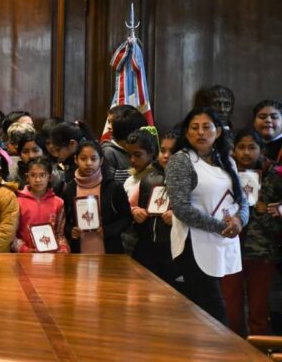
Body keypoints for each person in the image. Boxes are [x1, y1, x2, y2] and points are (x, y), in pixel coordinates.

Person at [166, 107, 249, 325]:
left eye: (207, 127)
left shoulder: (226, 159)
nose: (201, 133)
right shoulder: (181, 161)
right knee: (214, 312)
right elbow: (181, 208)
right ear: (186, 133)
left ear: (218, 132)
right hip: (194, 244)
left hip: (223, 241)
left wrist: (240, 220)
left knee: (211, 310)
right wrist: (220, 226)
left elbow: (241, 199)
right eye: (195, 128)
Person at [220, 129, 282, 335]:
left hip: (262, 249)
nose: (246, 153)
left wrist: (275, 209)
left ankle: (260, 351)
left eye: (252, 147)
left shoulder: (276, 174)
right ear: (233, 150)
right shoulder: (224, 174)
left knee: (258, 309)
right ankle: (233, 349)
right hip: (230, 247)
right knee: (231, 307)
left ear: (261, 150)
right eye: (241, 147)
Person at [63, 140, 132, 254]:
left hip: (110, 251)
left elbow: (126, 217)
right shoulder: (69, 189)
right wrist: (71, 231)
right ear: (76, 160)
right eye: (83, 158)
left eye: (93, 159)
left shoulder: (113, 187)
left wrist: (110, 230)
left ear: (101, 161)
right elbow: (64, 222)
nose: (88, 163)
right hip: (79, 252)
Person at [124, 128, 175, 282]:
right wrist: (134, 211)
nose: (166, 156)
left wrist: (178, 216)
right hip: (146, 245)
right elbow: (128, 206)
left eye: (172, 151)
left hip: (173, 248)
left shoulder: (188, 180)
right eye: (163, 151)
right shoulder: (148, 179)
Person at [12, 157, 69, 253]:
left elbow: (60, 234)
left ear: (49, 177)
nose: (38, 180)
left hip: (51, 255)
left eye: (42, 175)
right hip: (25, 257)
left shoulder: (58, 203)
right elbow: (12, 235)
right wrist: (24, 249)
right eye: (33, 175)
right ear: (27, 177)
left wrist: (63, 248)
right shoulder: (17, 202)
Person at [102, 105, 147, 185]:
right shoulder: (108, 152)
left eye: (112, 123)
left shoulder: (143, 149)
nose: (108, 127)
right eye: (108, 122)